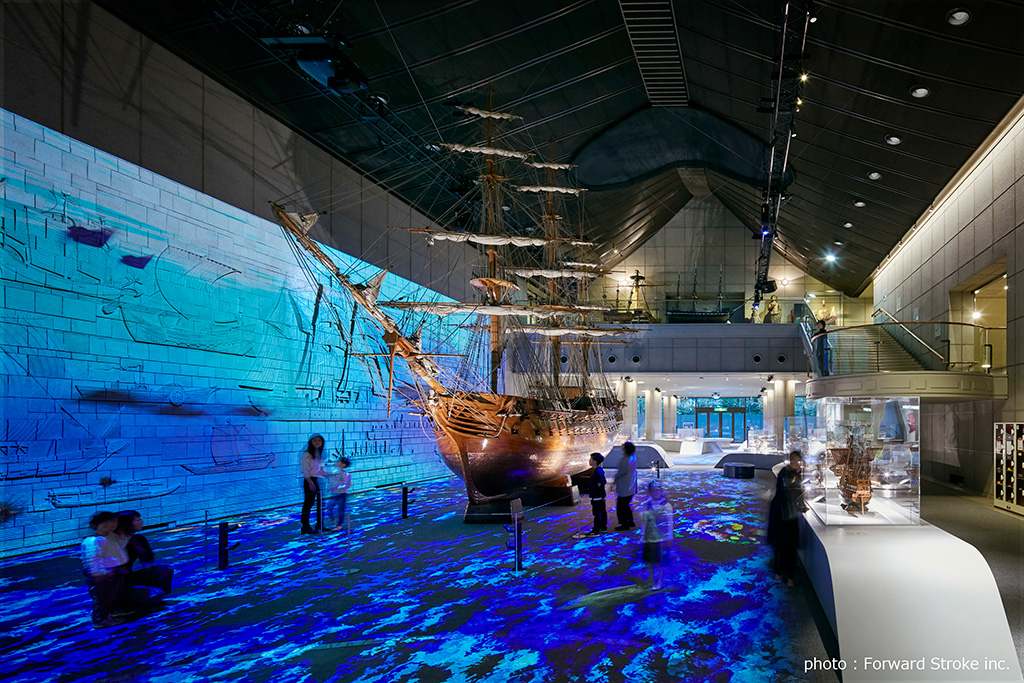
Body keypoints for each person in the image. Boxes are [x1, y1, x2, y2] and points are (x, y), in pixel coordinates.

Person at [81, 511, 129, 628]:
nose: (109, 528)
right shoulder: (92, 541)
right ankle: (100, 619)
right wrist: (98, 574)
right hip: (102, 576)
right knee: (101, 598)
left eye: (112, 525)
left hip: (112, 573)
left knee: (110, 596)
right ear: (95, 526)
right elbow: (91, 559)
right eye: (105, 526)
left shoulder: (109, 538)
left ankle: (109, 615)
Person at [766, 451, 807, 586]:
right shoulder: (789, 475)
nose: (799, 464)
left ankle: (781, 573)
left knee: (783, 544)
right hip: (786, 514)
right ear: (792, 461)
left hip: (783, 512)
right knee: (788, 544)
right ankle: (788, 576)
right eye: (797, 461)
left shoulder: (787, 472)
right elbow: (794, 493)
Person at [115, 510, 174, 594]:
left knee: (165, 570)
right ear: (126, 524)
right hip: (111, 581)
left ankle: (161, 594)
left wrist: (142, 550)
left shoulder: (138, 539)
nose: (141, 522)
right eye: (137, 520)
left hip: (127, 577)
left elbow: (148, 563)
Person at [640, 480, 674, 589]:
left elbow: (670, 521)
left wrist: (670, 535)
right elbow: (643, 521)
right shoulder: (647, 505)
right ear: (650, 491)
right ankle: (651, 580)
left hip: (660, 538)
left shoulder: (665, 505)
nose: (657, 492)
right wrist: (642, 535)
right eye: (654, 490)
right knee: (649, 561)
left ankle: (660, 581)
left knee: (660, 562)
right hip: (649, 537)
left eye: (659, 489)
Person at [300, 434, 325, 534]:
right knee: (308, 504)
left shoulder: (317, 453)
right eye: (314, 440)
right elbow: (305, 470)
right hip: (309, 480)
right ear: (310, 442)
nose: (317, 442)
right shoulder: (307, 454)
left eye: (319, 440)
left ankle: (319, 525)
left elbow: (317, 469)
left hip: (315, 479)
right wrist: (310, 482)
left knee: (319, 503)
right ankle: (305, 526)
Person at [614, 441, 638, 531]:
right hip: (630, 486)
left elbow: (621, 472)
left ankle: (624, 524)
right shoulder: (632, 456)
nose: (621, 446)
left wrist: (615, 480)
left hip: (625, 486)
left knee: (621, 507)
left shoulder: (626, 459)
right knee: (626, 506)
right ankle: (630, 522)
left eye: (623, 445)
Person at [325, 456, 352, 530]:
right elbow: (331, 481)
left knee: (340, 510)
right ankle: (335, 522)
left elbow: (347, 485)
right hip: (333, 494)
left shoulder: (346, 475)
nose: (337, 463)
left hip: (341, 494)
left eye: (339, 462)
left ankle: (339, 524)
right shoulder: (334, 472)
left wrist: (336, 488)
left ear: (343, 465)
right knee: (329, 509)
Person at [587, 453, 608, 534]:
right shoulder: (599, 470)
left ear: (595, 461)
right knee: (601, 512)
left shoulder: (597, 472)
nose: (589, 461)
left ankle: (596, 529)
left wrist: (601, 495)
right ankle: (603, 527)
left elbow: (600, 484)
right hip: (598, 496)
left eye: (591, 459)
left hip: (597, 497)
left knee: (597, 513)